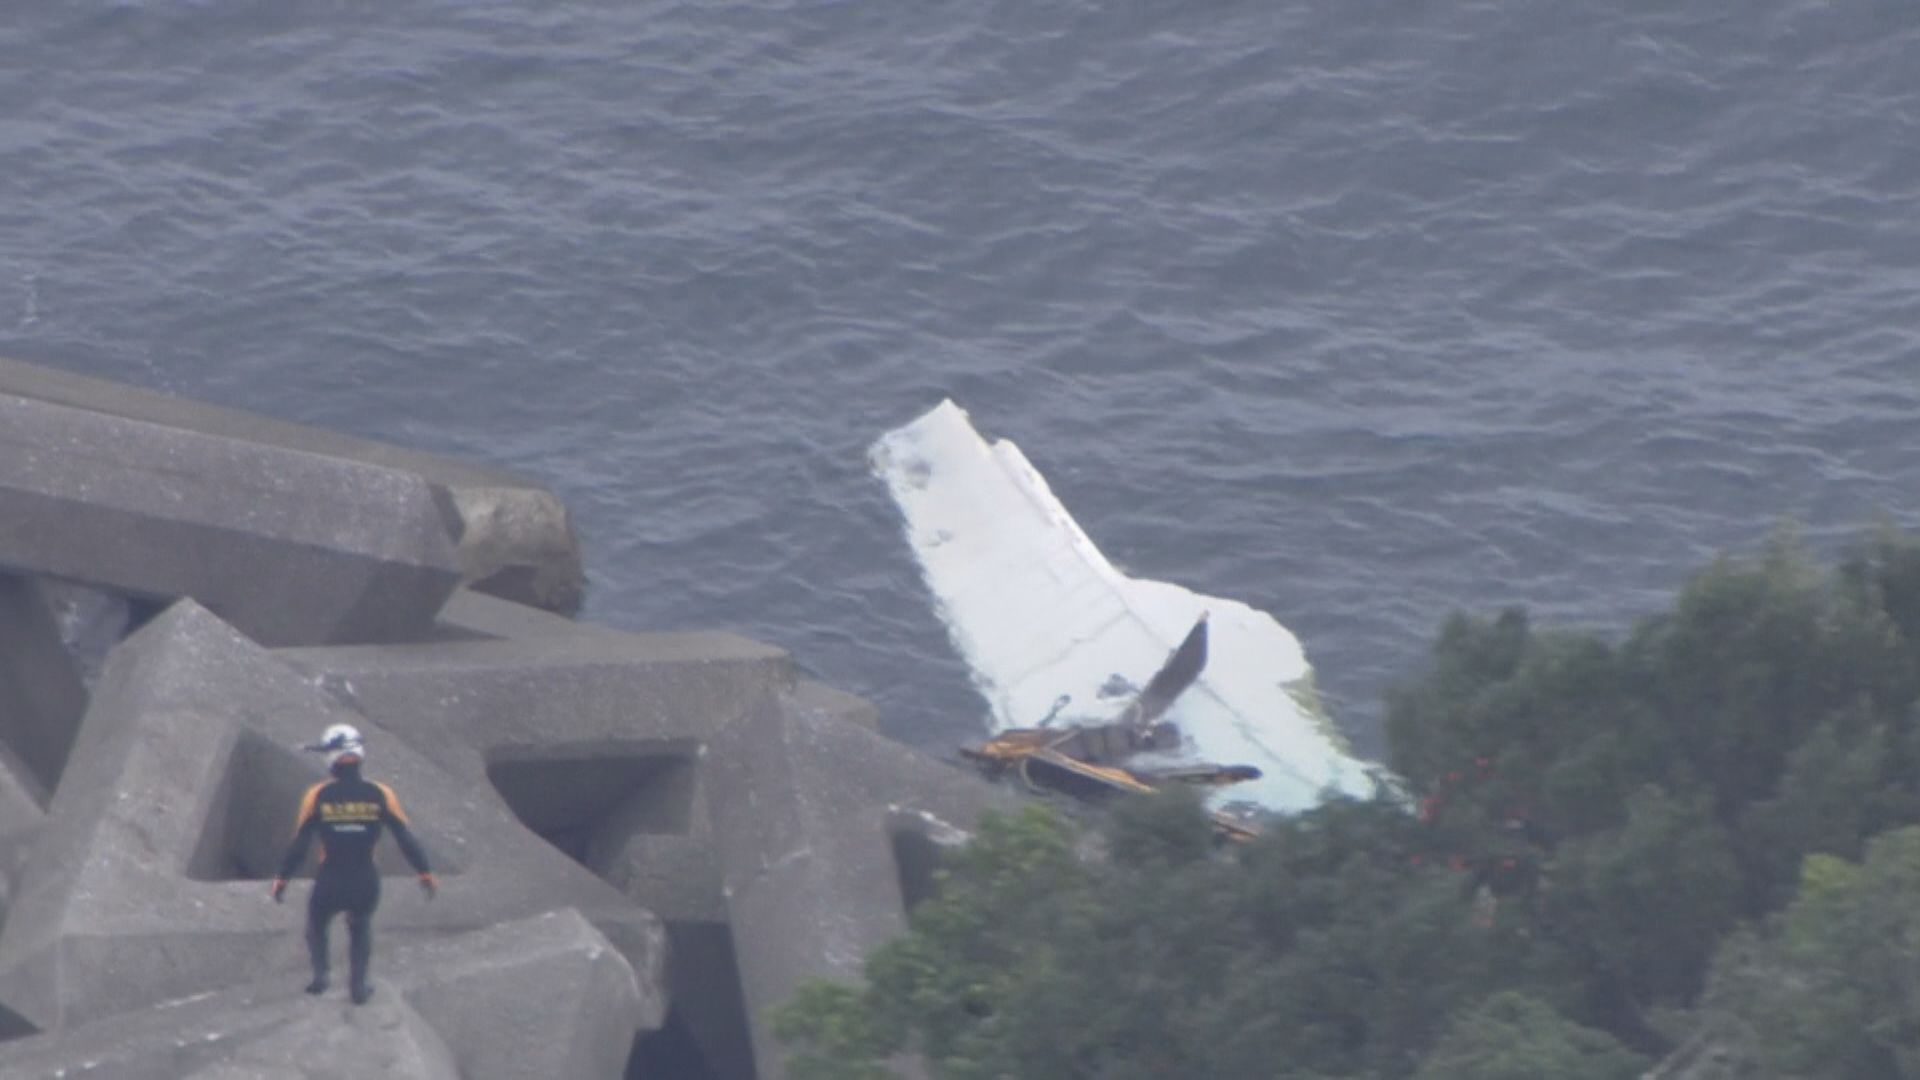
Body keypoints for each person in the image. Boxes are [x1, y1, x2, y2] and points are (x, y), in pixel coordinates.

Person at [270, 723, 437, 1004]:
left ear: (332, 757)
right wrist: (425, 873)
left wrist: (282, 879)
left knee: (317, 924)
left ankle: (321, 977)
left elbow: (300, 844)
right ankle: (358, 986)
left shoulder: (318, 795)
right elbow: (405, 838)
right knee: (360, 926)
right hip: (365, 879)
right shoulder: (382, 793)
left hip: (330, 878)